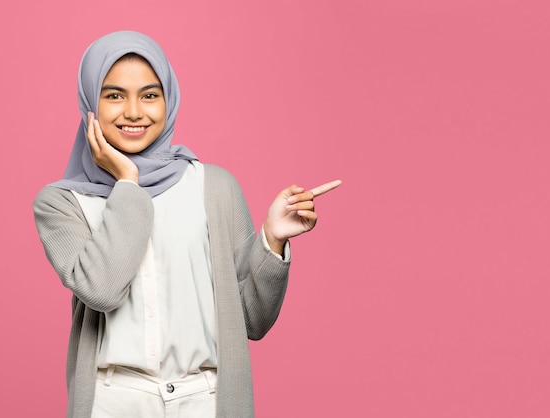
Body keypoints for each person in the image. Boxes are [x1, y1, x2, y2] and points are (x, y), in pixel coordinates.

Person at [33, 30, 341, 418]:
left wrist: (272, 241)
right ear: (89, 102)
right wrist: (128, 183)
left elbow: (252, 321)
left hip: (205, 401)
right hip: (113, 401)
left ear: (169, 100)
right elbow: (103, 290)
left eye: (149, 95)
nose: (133, 112)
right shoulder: (62, 202)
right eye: (114, 96)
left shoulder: (213, 186)